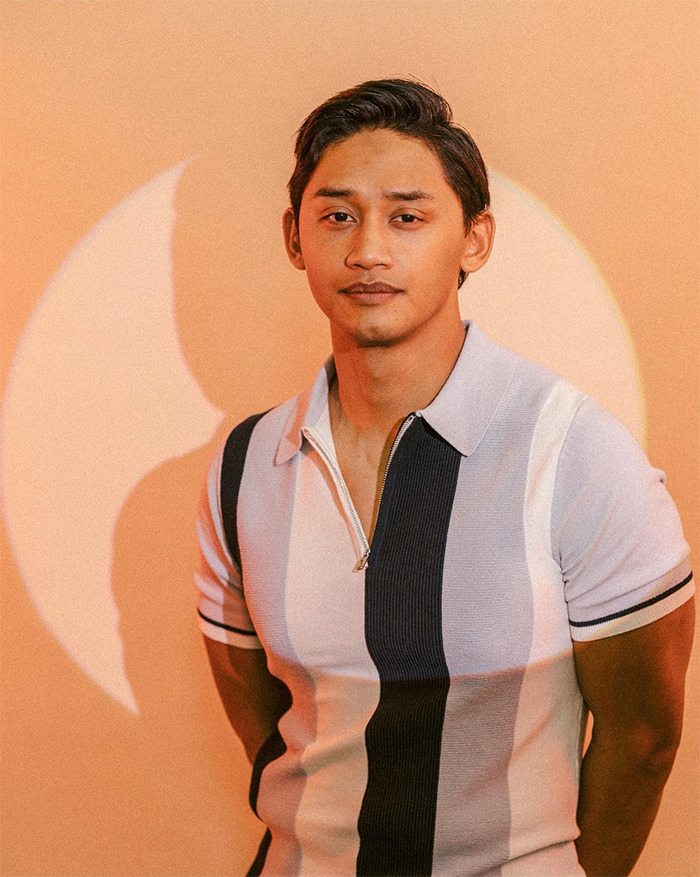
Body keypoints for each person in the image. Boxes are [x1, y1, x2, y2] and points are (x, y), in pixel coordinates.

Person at [194, 79, 694, 877]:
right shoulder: (245, 464)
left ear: (475, 239)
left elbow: (643, 739)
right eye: (337, 216)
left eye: (407, 217)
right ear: (295, 237)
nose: (368, 250)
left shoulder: (576, 452)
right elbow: (267, 715)